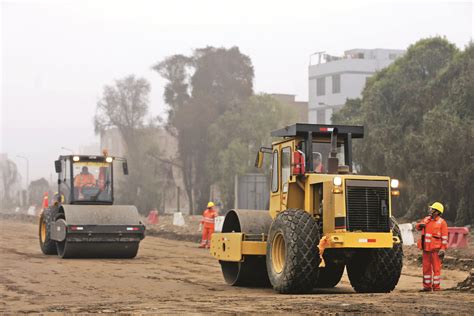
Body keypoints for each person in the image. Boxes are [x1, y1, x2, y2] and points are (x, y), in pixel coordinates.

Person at [415, 202, 448, 291]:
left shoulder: (442, 223)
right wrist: (419, 225)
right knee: (426, 269)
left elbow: (445, 237)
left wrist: (443, 249)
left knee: (436, 269)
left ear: (437, 212)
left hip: (436, 250)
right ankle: (427, 287)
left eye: (432, 209)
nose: (430, 210)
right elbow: (417, 227)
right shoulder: (426, 219)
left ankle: (436, 287)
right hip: (426, 249)